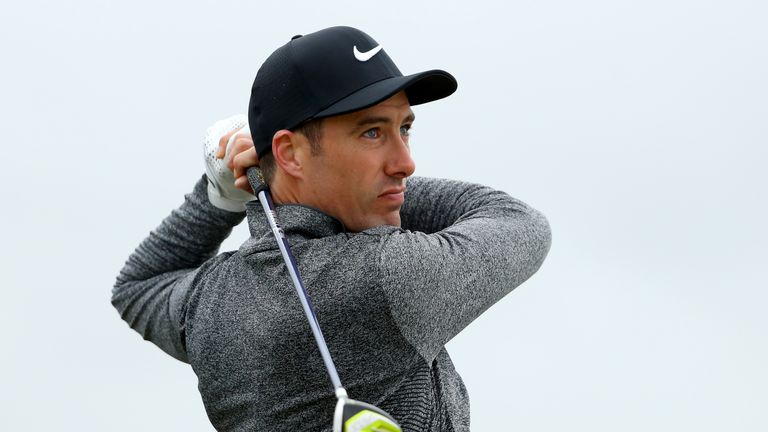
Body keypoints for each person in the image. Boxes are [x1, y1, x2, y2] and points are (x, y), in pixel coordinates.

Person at [112, 26, 552, 431]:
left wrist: (222, 194)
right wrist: (374, 190)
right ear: (290, 153)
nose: (406, 163)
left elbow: (138, 285)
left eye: (404, 129)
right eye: (371, 133)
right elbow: (518, 222)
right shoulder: (386, 274)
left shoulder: (211, 299)